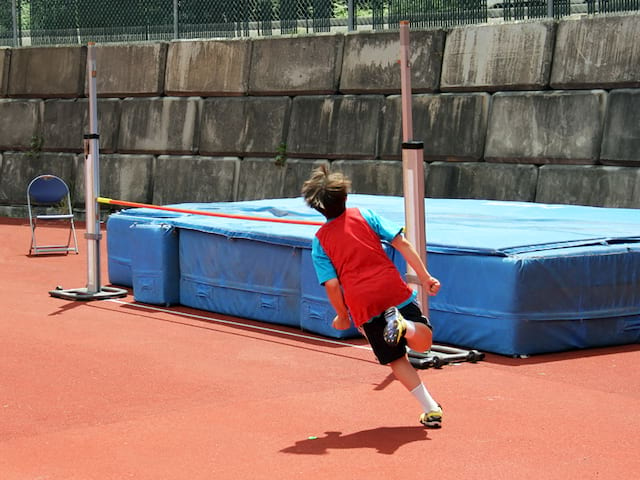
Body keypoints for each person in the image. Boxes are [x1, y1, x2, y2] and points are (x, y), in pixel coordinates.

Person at [301, 165, 443, 428]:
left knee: (395, 358)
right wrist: (424, 277)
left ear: (318, 208)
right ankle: (407, 326)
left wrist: (343, 315)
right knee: (423, 343)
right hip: (391, 289)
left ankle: (431, 408)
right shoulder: (365, 215)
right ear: (345, 196)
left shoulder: (320, 240)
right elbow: (402, 243)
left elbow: (332, 284)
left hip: (362, 304)